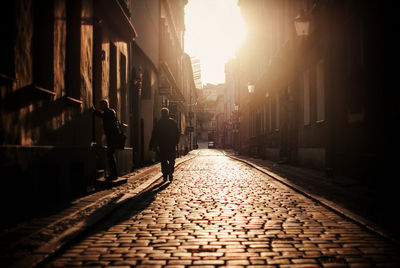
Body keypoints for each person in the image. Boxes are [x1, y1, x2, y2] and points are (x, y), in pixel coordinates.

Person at [150, 107, 180, 181]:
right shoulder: (172, 122)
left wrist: (152, 144)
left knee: (163, 160)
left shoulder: (159, 123)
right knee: (171, 160)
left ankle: (165, 174)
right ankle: (170, 172)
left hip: (162, 145)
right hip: (171, 145)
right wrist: (176, 142)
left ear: (161, 114)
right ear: (168, 113)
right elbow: (177, 133)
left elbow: (154, 134)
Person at [93, 99, 119, 181]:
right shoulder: (110, 112)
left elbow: (103, 116)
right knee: (110, 155)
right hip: (112, 136)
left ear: (105, 105)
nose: (100, 107)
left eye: (101, 105)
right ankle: (113, 174)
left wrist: (94, 111)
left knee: (110, 155)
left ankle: (113, 175)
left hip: (112, 136)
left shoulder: (109, 112)